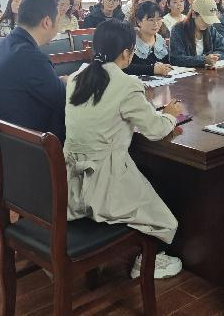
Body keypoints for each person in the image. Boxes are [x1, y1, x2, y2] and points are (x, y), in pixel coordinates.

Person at [64, 19, 183, 279]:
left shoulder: (75, 78)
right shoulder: (127, 85)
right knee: (164, 220)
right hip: (105, 182)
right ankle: (147, 260)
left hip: (69, 184)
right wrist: (171, 115)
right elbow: (155, 130)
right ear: (127, 53)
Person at [0, 0, 67, 196]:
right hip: (15, 159)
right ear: (47, 22)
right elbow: (61, 98)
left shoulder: (0, 46)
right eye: (58, 18)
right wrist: (68, 82)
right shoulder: (30, 56)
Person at [169, 0, 224, 68]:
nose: (208, 23)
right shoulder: (178, 29)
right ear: (193, 14)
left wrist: (212, 58)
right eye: (204, 20)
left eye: (210, 20)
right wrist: (203, 60)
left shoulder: (210, 29)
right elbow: (176, 59)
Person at [123, 1, 173, 77]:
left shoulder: (160, 40)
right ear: (139, 22)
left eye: (159, 19)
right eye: (151, 20)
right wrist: (153, 70)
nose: (156, 24)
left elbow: (167, 64)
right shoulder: (130, 40)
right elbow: (124, 67)